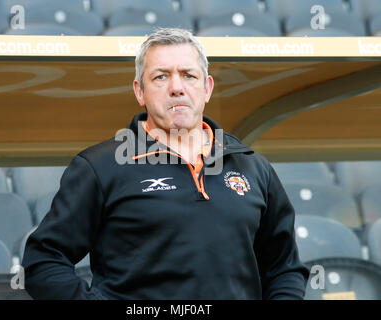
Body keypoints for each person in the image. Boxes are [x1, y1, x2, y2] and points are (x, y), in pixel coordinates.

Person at [22, 28, 309, 300]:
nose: (176, 88)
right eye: (161, 77)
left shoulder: (253, 167)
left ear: (207, 88)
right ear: (139, 91)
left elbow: (284, 269)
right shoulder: (99, 167)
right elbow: (44, 261)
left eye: (188, 76)